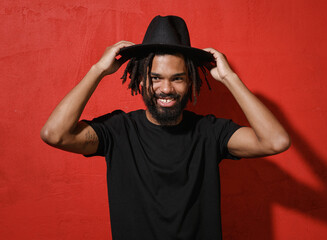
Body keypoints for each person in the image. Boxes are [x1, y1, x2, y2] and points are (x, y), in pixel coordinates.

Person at [41, 15, 290, 240]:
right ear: (139, 78)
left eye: (177, 78)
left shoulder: (210, 132)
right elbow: (54, 134)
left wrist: (230, 78)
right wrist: (97, 70)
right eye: (155, 78)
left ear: (190, 79)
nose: (166, 89)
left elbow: (275, 141)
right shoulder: (118, 131)